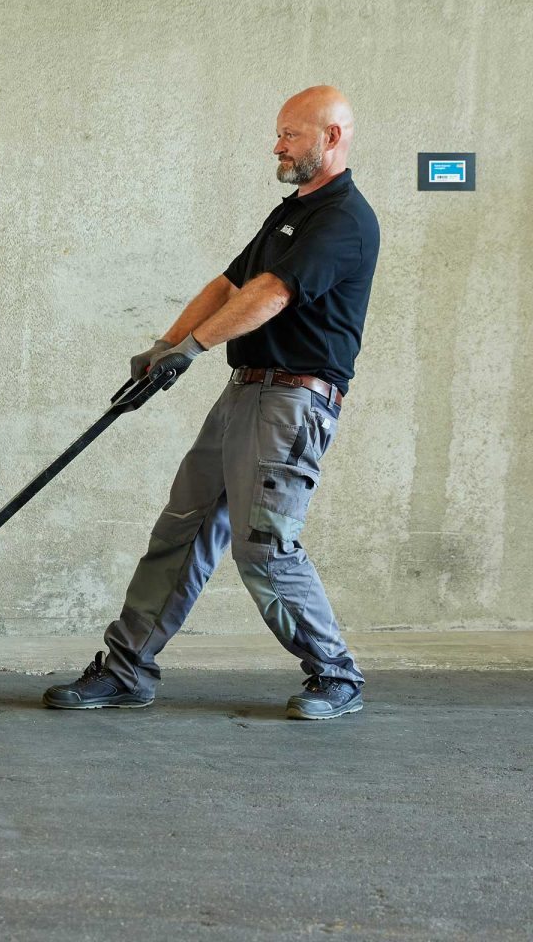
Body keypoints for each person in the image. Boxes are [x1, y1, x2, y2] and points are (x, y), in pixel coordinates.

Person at [44, 85, 379, 720]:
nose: (277, 145)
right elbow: (229, 284)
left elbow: (273, 295)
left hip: (292, 404)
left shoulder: (345, 220)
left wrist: (192, 349)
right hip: (244, 392)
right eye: (279, 132)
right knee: (181, 531)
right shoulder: (291, 214)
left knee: (264, 546)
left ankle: (336, 675)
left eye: (292, 134)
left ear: (332, 137)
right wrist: (165, 343)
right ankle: (126, 670)